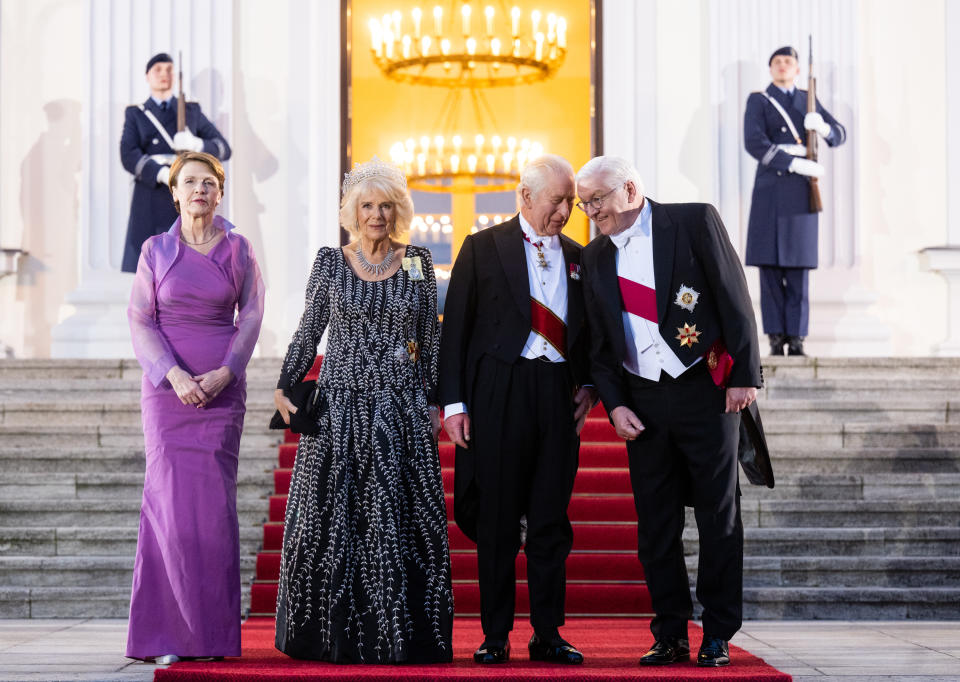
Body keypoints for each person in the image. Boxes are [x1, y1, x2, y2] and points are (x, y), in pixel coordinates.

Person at [577, 156, 761, 668]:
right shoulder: (594, 259)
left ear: (631, 188)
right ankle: (670, 633)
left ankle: (719, 632)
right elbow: (599, 346)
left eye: (597, 200)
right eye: (582, 203)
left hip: (707, 390)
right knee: (655, 525)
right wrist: (614, 405)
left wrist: (745, 374)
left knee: (717, 515)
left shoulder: (693, 220)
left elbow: (733, 296)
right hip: (643, 401)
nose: (590, 212)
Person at [273, 157, 453, 663]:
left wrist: (439, 400)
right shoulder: (330, 261)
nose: (376, 214)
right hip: (340, 406)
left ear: (398, 211)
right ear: (352, 211)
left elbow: (430, 340)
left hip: (402, 406)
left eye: (386, 206)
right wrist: (286, 384)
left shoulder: (418, 260)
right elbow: (310, 331)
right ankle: (330, 638)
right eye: (367, 206)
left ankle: (403, 638)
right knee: (336, 520)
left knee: (399, 521)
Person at [438, 154, 594, 666]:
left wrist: (589, 384)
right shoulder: (482, 249)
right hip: (497, 394)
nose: (567, 210)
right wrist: (455, 404)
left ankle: (548, 633)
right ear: (525, 197)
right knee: (499, 521)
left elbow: (592, 334)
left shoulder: (580, 256)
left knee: (551, 520)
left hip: (556, 393)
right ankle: (495, 634)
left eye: (571, 200)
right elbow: (454, 330)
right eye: (558, 200)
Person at [126, 151, 265, 663]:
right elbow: (140, 320)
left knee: (211, 512)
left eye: (209, 182)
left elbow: (251, 316)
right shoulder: (155, 250)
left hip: (223, 391)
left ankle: (210, 637)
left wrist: (228, 370)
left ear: (220, 192)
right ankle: (165, 637)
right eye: (190, 182)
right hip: (167, 394)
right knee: (167, 507)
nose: (199, 190)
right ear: (175, 192)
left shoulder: (239, 249)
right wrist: (174, 374)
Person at [744, 45, 846, 356]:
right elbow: (754, 141)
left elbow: (839, 135)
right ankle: (776, 338)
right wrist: (793, 163)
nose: (783, 65)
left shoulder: (808, 100)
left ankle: (798, 338)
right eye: (777, 61)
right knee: (771, 269)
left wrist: (824, 127)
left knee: (799, 269)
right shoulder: (759, 100)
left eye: (788, 61)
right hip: (771, 190)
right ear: (770, 68)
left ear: (798, 69)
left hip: (802, 193)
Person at [120, 52, 232, 273]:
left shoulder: (191, 110)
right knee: (151, 268)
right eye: (158, 70)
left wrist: (197, 143)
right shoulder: (137, 114)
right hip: (151, 195)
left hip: (186, 196)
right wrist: (161, 174)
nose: (164, 75)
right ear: (147, 76)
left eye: (169, 70)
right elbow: (128, 154)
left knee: (188, 264)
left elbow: (223, 147)